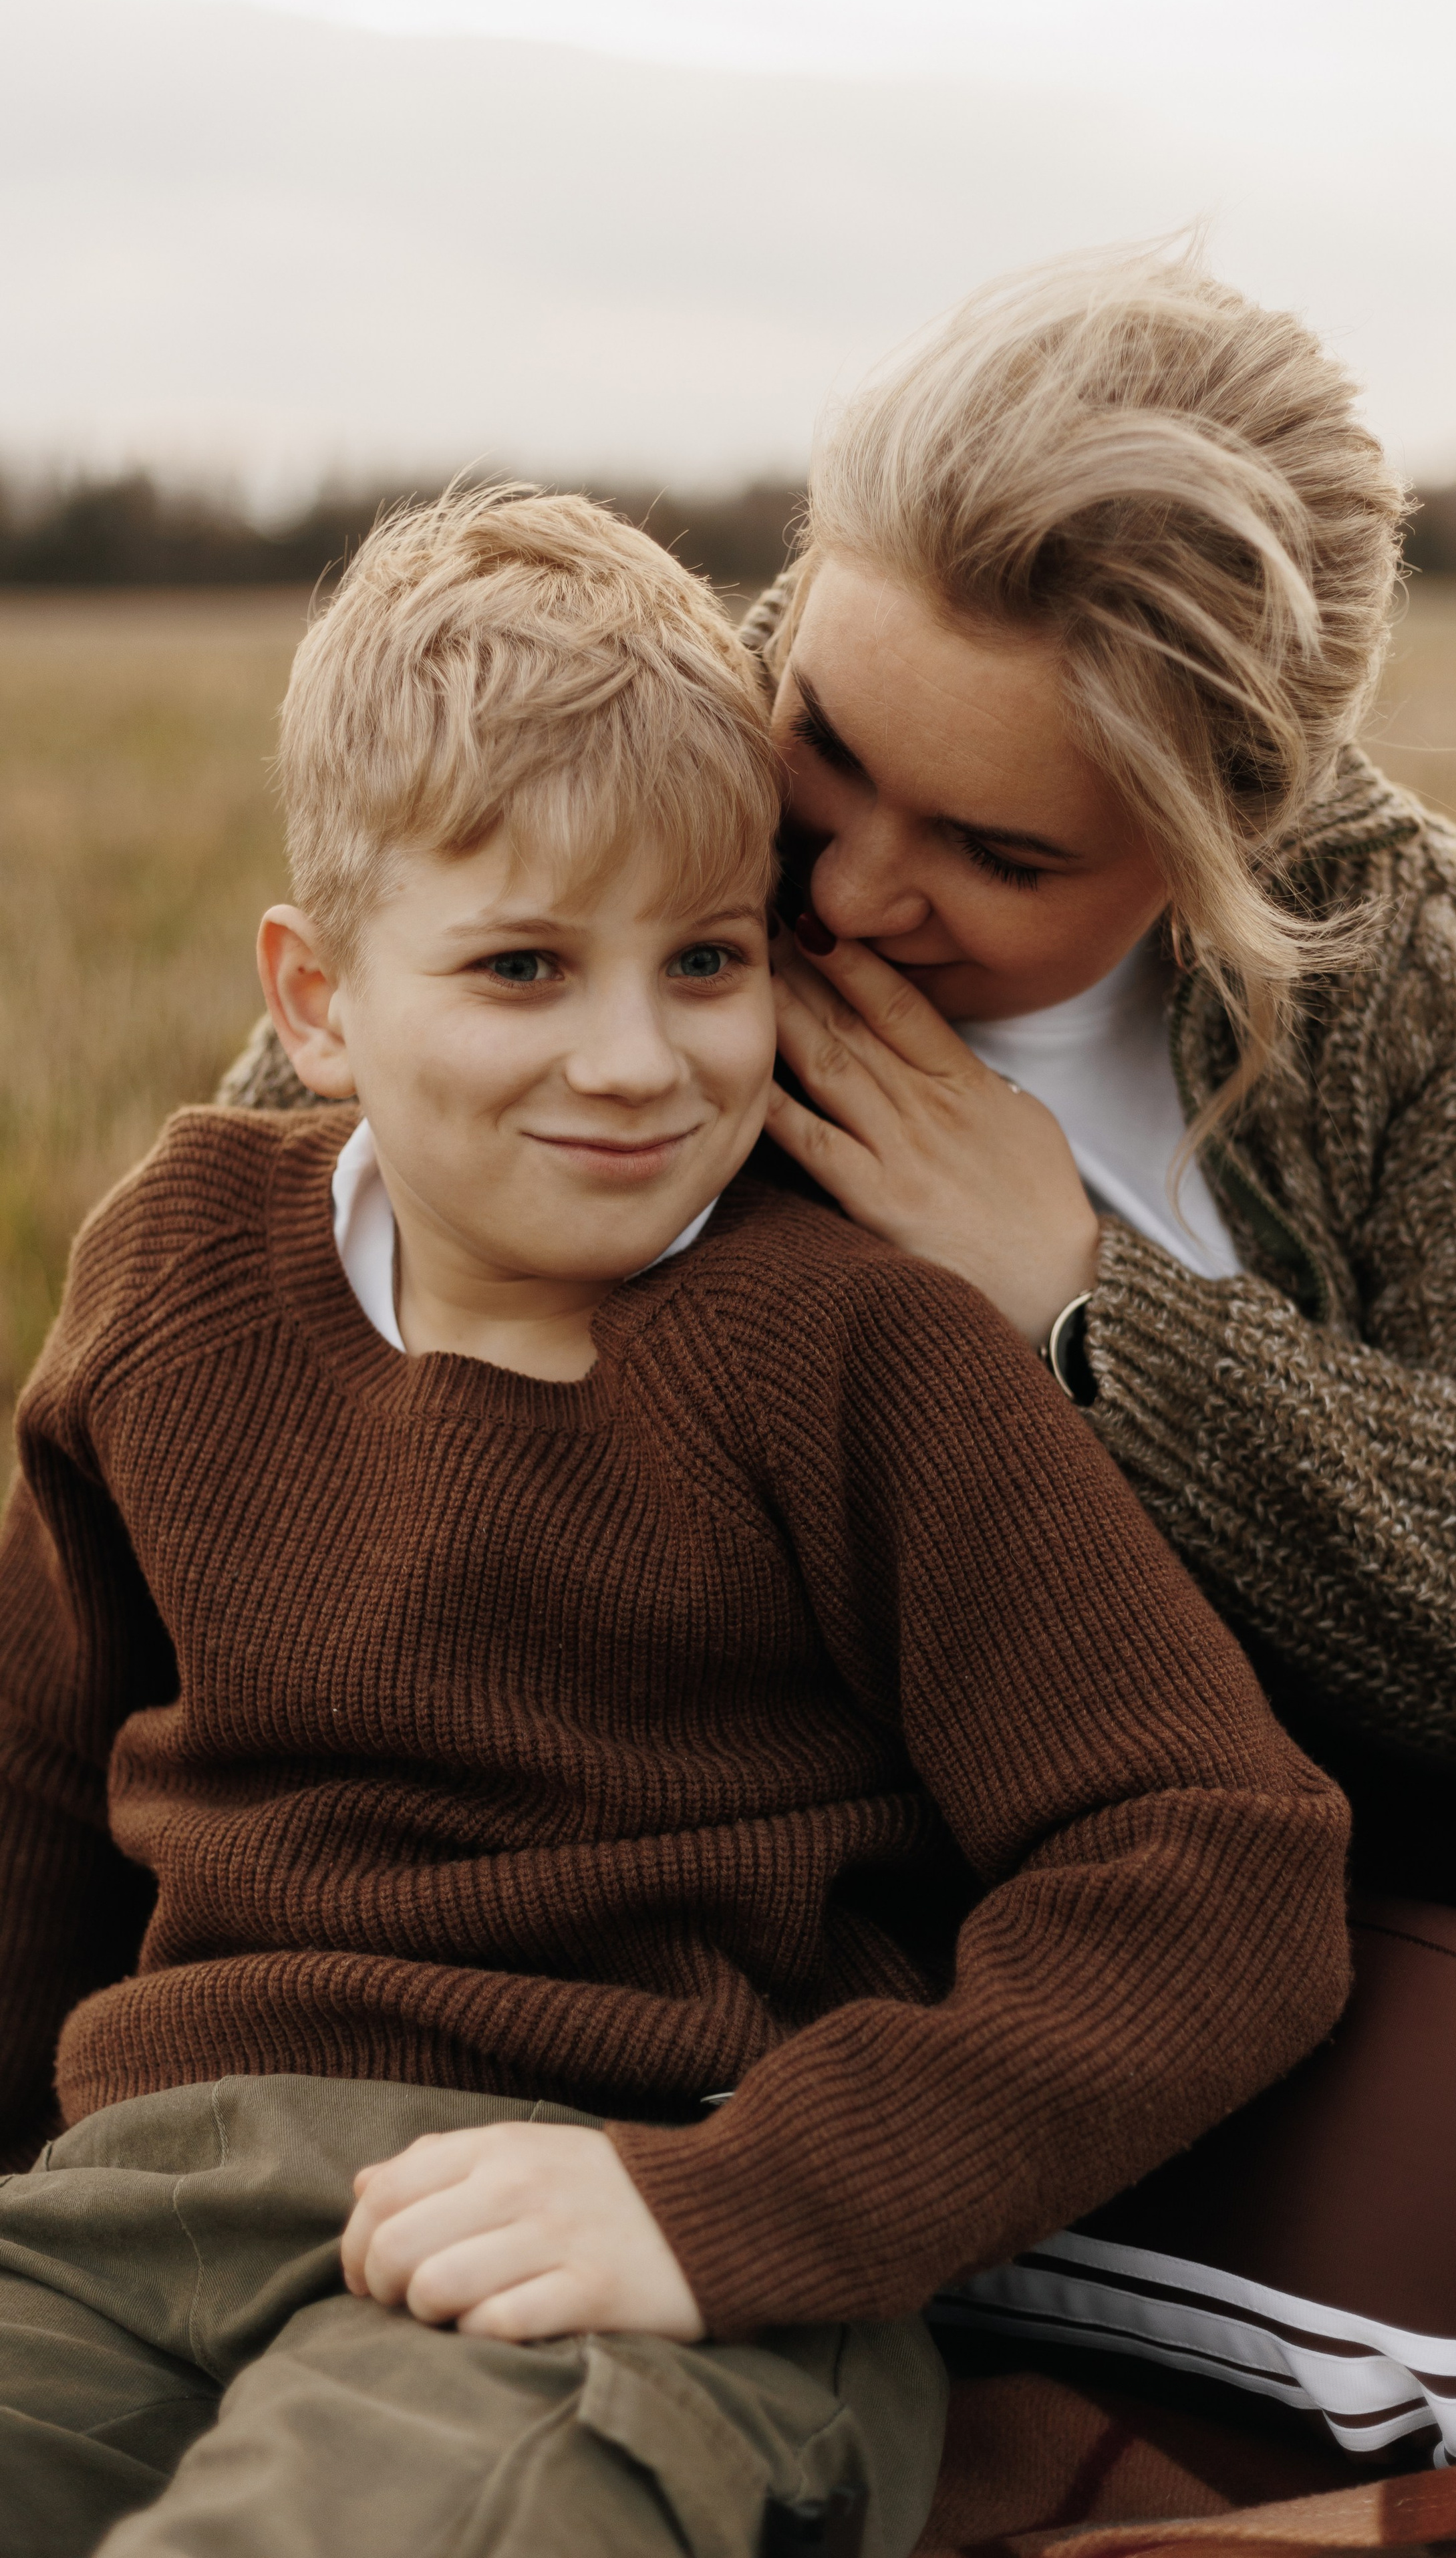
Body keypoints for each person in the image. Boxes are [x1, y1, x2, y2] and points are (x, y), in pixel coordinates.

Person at [220, 254, 1456, 2463]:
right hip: (786, 1906)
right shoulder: (599, 797)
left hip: (1277, 1872)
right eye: (825, 739)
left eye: (1003, 851)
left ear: (1247, 815)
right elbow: (248, 1343)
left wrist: (1089, 1307)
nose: (854, 882)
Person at [0, 486, 1352, 2557]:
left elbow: (1215, 1862)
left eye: (707, 961)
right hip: (143, 2197)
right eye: (523, 967)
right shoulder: (178, 1270)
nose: (632, 1061)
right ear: (318, 998)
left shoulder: (851, 1350)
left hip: (631, 2246)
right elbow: (28, 1781)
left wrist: (737, 2207)